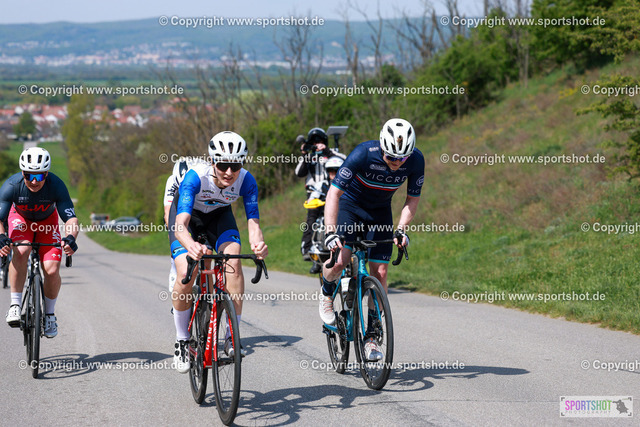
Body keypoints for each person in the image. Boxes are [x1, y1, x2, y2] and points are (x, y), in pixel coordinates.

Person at [320, 118, 424, 361]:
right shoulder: (363, 153)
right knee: (340, 261)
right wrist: (331, 232)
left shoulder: (416, 160)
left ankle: (373, 337)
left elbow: (412, 199)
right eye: (392, 157)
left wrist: (401, 229)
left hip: (379, 212)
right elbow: (334, 193)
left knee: (381, 272)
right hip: (350, 206)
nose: (397, 163)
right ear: (383, 148)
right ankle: (326, 293)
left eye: (402, 158)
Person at [168, 131, 268, 373]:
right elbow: (179, 226)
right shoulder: (195, 177)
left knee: (234, 261)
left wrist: (259, 245)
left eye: (236, 165)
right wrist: (191, 244)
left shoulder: (247, 181)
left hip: (219, 217)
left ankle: (232, 336)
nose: (229, 172)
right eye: (223, 165)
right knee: (186, 272)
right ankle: (182, 340)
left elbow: (253, 224)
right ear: (212, 160)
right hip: (188, 220)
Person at [0, 147, 79, 338]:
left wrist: (71, 238)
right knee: (21, 250)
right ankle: (15, 305)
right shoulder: (11, 185)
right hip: (21, 220)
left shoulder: (56, 185)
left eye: (40, 176)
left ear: (47, 173)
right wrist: (2, 237)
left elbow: (71, 219)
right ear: (22, 173)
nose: (34, 181)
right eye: (29, 176)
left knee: (51, 270)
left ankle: (50, 315)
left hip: (47, 223)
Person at [295, 127, 345, 270]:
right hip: (314, 194)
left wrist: (327, 151)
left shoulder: (332, 153)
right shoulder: (309, 157)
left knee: (337, 221)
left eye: (319, 141)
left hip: (333, 192)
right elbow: (299, 172)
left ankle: (340, 251)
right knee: (311, 221)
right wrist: (305, 153)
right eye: (313, 142)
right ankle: (309, 253)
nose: (316, 144)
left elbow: (346, 161)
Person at [163, 156, 209, 292]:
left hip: (198, 213)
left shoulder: (201, 177)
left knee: (207, 257)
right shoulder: (172, 181)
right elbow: (168, 212)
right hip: (179, 214)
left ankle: (208, 296)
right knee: (177, 241)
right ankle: (175, 270)